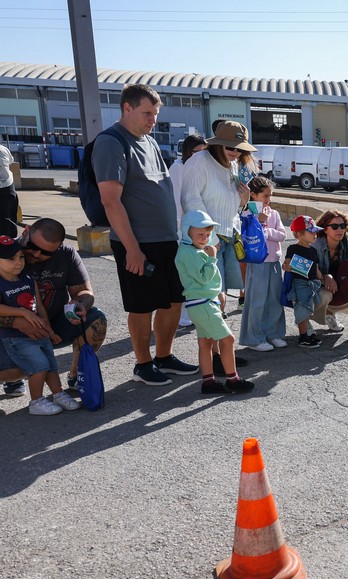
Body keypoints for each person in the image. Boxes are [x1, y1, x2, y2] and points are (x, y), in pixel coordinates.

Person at [94, 83, 198, 386]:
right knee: (142, 306)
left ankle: (164, 356)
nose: (153, 119)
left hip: (166, 240)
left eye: (155, 113)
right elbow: (110, 201)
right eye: (147, 113)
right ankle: (143, 364)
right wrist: (132, 249)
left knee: (173, 301)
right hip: (138, 243)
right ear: (127, 108)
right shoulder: (111, 142)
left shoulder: (149, 141)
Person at [173, 211, 254, 395]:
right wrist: (212, 258)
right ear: (187, 232)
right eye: (200, 234)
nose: (205, 238)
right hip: (203, 304)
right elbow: (204, 278)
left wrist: (217, 292)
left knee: (206, 342)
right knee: (228, 339)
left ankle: (208, 381)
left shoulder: (190, 250)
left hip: (200, 303)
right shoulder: (191, 253)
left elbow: (204, 282)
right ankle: (232, 379)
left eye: (208, 234)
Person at [0, 235, 81, 415]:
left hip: (39, 333)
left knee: (51, 365)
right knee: (39, 366)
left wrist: (49, 330)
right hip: (16, 337)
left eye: (21, 257)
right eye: (10, 259)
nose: (18, 262)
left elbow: (40, 307)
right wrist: (23, 313)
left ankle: (58, 394)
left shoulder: (28, 279)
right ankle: (36, 401)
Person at [179, 120, 253, 314]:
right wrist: (208, 238)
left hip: (228, 236)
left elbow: (230, 203)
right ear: (217, 143)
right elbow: (190, 201)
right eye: (230, 147)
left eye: (240, 149)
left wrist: (243, 200)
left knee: (221, 296)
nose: (235, 152)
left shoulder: (232, 164)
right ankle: (213, 340)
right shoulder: (199, 162)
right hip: (208, 241)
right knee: (211, 297)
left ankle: (217, 341)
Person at [238, 176, 287, 351]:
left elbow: (282, 235)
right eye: (265, 196)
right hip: (257, 263)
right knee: (257, 301)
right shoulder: (246, 214)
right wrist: (262, 224)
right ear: (253, 195)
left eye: (270, 195)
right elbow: (249, 237)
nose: (269, 199)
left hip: (274, 262)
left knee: (274, 301)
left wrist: (266, 230)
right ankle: (254, 338)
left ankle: (273, 334)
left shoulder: (274, 213)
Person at [168, 134, 207, 328]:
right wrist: (178, 231)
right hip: (184, 229)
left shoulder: (202, 168)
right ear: (187, 151)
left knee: (196, 272)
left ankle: (194, 311)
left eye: (204, 152)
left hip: (198, 229)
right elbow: (176, 201)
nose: (201, 156)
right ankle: (183, 316)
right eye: (196, 152)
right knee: (184, 273)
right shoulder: (178, 168)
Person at [311, 209, 348, 333]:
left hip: (336, 283)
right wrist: (325, 276)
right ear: (325, 229)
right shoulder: (315, 245)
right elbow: (309, 272)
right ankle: (306, 318)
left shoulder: (346, 244)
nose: (340, 230)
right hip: (314, 285)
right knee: (326, 294)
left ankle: (329, 313)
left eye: (342, 226)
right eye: (335, 226)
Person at [283, 215, 323, 348]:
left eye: (315, 231)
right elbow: (286, 264)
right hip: (300, 283)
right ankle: (303, 337)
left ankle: (307, 334)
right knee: (302, 309)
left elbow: (316, 268)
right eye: (311, 232)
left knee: (308, 309)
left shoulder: (313, 250)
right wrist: (287, 267)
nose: (315, 234)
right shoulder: (293, 249)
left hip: (312, 284)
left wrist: (321, 278)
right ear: (299, 234)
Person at [0, 143, 17, 236]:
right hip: (8, 188)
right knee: (9, 216)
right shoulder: (3, 149)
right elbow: (11, 161)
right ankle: (11, 243)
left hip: (6, 187)